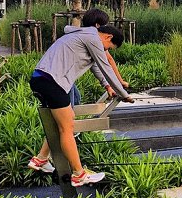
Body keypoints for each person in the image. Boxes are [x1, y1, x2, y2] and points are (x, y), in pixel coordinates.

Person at [27, 24, 133, 187]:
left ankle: (40, 159)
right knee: (67, 128)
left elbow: (97, 67)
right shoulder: (93, 38)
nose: (106, 51)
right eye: (109, 48)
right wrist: (124, 94)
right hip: (52, 82)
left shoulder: (83, 36)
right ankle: (78, 174)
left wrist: (108, 87)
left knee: (64, 121)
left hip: (42, 79)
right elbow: (105, 66)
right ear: (108, 37)